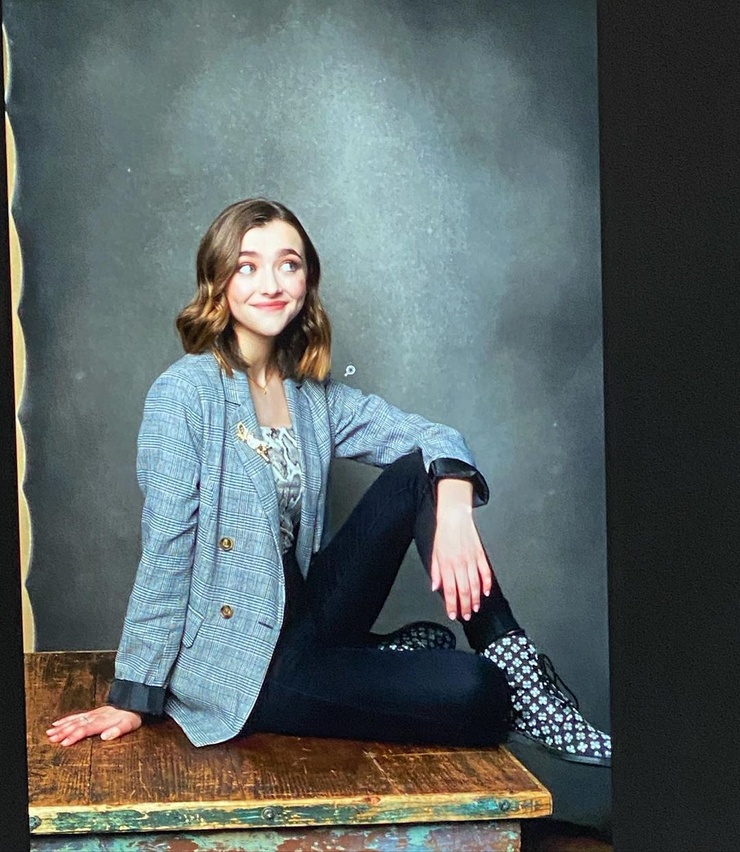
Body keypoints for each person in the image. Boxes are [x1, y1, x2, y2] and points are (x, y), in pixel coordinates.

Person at [47, 198, 611, 766]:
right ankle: (434, 671)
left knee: (424, 472)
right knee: (479, 691)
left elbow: (429, 437)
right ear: (218, 282)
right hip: (251, 661)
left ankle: (525, 677)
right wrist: (134, 694)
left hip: (312, 618)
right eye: (247, 266)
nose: (271, 284)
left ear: (307, 280)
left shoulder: (309, 395)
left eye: (288, 264)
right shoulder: (185, 395)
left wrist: (457, 504)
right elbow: (166, 550)